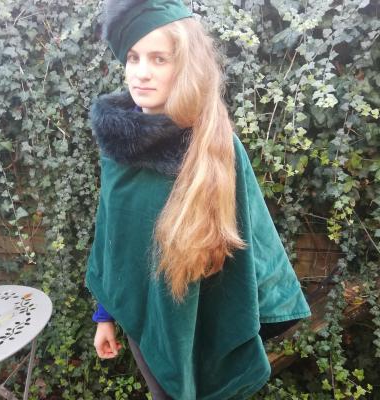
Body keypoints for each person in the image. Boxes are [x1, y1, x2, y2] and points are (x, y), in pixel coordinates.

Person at [85, 1, 312, 399]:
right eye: (134, 57)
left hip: (204, 321)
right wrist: (105, 315)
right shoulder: (116, 146)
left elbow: (255, 241)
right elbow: (111, 235)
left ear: (186, 65)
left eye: (159, 58)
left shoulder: (215, 146)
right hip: (144, 322)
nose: (141, 72)